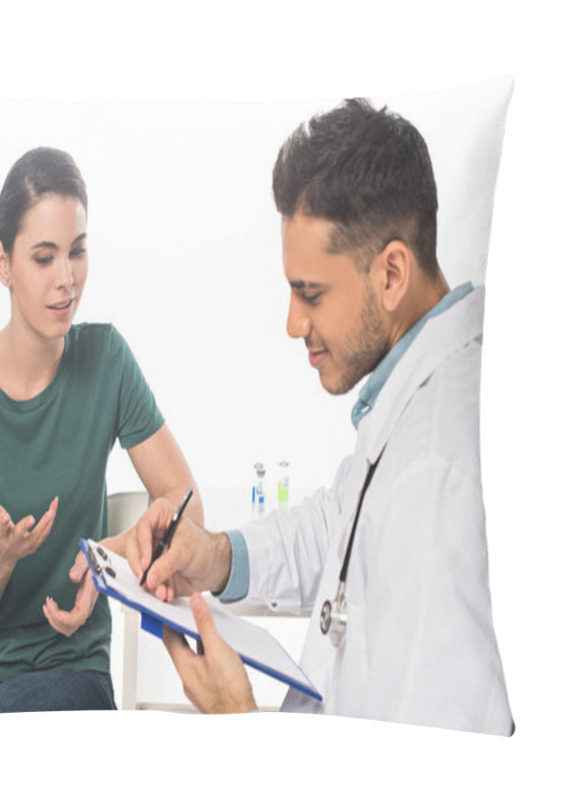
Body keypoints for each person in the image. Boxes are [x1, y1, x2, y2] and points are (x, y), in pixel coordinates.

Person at [97, 99, 513, 734]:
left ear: (392, 273)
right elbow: (338, 527)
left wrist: (242, 723)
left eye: (310, 293)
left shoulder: (443, 469)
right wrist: (217, 556)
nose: (293, 324)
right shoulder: (414, 394)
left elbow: (434, 773)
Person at [0, 147, 202, 721]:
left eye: (77, 252)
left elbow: (186, 509)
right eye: (43, 258)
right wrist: (0, 556)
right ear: (3, 262)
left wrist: (109, 560)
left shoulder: (107, 361)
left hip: (73, 670)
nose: (66, 280)